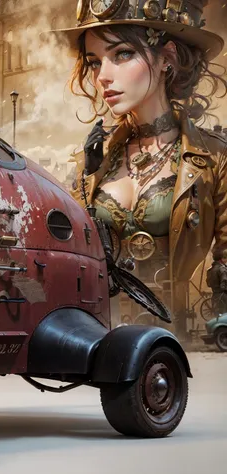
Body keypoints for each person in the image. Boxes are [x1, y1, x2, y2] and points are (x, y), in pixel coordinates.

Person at [52, 0, 227, 341]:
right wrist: (85, 180)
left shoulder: (213, 159)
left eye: (122, 55)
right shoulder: (90, 162)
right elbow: (69, 255)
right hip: (97, 339)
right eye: (94, 62)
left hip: (178, 344)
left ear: (168, 57)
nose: (103, 76)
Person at [206, 249, 227, 315]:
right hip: (223, 297)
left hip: (215, 295)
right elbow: (224, 283)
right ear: (221, 259)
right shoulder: (222, 269)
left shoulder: (210, 270)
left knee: (217, 318)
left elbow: (209, 284)